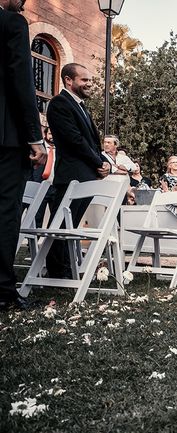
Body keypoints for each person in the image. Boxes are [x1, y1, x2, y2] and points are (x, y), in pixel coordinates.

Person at [0, 0, 47, 311]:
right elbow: (22, 82)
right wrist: (35, 137)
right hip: (5, 136)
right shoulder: (12, 23)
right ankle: (2, 289)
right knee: (5, 210)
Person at [46, 63, 111, 278]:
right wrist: (97, 162)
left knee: (72, 223)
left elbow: (91, 142)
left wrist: (104, 161)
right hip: (71, 175)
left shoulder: (81, 106)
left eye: (90, 81)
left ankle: (65, 266)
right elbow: (74, 140)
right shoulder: (59, 104)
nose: (89, 84)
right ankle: (57, 269)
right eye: (84, 80)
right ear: (68, 80)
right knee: (62, 223)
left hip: (86, 175)